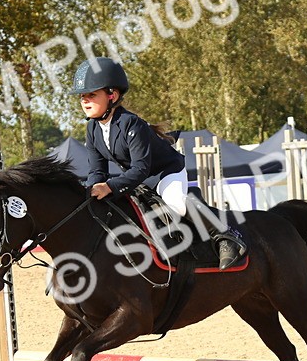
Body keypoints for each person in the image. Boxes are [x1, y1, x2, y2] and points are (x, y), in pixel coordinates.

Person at [74, 57, 246, 269]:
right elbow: (96, 171)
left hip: (165, 172)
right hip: (139, 179)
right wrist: (89, 191)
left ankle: (226, 235)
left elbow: (140, 168)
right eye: (82, 96)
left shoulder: (131, 123)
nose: (84, 101)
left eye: (92, 95)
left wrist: (109, 186)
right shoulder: (92, 129)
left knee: (175, 202)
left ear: (112, 95)